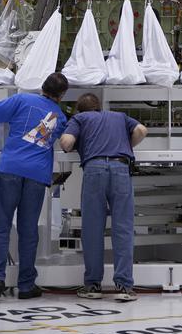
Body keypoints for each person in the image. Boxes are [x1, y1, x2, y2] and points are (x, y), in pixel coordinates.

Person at [0, 71, 69, 301]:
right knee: (28, 230)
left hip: (10, 169)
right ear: (61, 95)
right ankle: (26, 285)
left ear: (42, 86)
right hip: (37, 175)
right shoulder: (60, 117)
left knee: (0, 225)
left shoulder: (21, 99)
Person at [59, 92, 147, 302]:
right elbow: (142, 130)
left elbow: (66, 142)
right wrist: (125, 147)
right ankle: (125, 286)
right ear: (98, 107)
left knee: (92, 229)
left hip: (95, 170)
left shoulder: (79, 119)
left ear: (81, 109)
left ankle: (93, 285)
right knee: (123, 228)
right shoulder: (119, 116)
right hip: (120, 168)